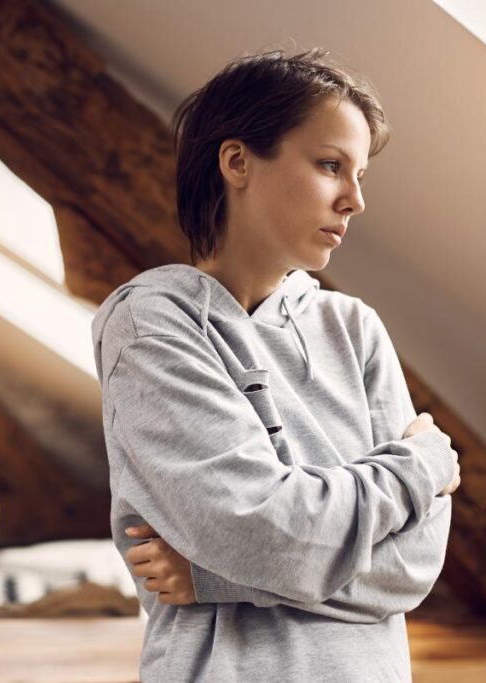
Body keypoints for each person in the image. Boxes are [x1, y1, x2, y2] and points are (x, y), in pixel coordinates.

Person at [91, 48, 461, 682]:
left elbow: (415, 565)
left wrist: (212, 577)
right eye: (329, 165)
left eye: (360, 174)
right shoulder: (152, 323)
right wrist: (420, 467)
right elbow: (266, 534)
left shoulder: (357, 329)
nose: (355, 200)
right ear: (237, 161)